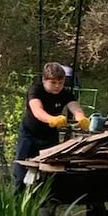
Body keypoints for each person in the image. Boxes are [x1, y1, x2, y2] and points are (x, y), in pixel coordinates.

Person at [13, 62, 90, 193]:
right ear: (44, 80)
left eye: (60, 82)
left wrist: (81, 118)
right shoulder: (36, 90)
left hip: (49, 137)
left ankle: (45, 202)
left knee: (49, 172)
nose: (57, 86)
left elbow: (75, 107)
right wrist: (51, 119)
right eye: (53, 82)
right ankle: (17, 202)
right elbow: (37, 110)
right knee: (20, 172)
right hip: (29, 134)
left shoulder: (65, 93)